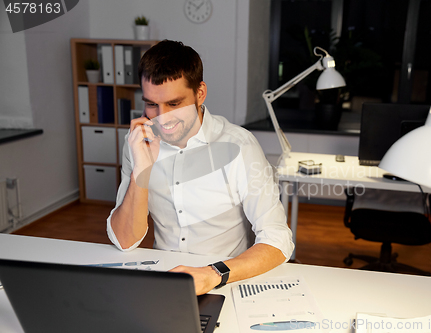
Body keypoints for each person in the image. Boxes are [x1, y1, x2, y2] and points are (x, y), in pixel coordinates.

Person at [107, 39, 294, 295]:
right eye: (151, 104)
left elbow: (278, 240)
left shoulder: (240, 145)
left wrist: (211, 274)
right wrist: (142, 169)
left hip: (226, 279)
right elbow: (125, 240)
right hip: (164, 280)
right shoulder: (138, 142)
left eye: (174, 104)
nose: (161, 118)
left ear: (200, 93)